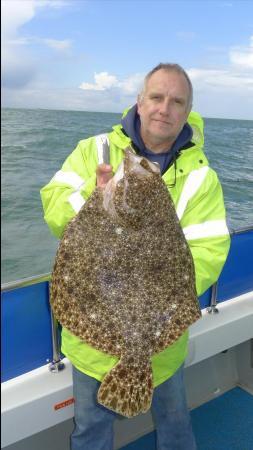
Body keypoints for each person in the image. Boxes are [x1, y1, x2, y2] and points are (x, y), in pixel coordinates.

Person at [40, 63, 230, 450]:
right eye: (157, 97)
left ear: (187, 110)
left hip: (160, 347)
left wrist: (158, 300)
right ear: (139, 103)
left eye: (177, 101)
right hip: (89, 345)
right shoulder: (94, 150)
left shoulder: (201, 176)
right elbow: (54, 206)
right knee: (90, 432)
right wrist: (94, 199)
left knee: (176, 427)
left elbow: (210, 250)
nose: (165, 108)